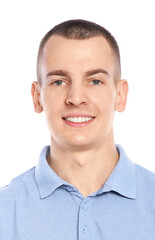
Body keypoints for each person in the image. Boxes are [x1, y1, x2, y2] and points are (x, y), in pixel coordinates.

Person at [0, 19, 155, 240]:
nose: (76, 98)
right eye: (59, 82)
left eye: (95, 81)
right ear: (37, 97)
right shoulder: (4, 212)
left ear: (120, 96)